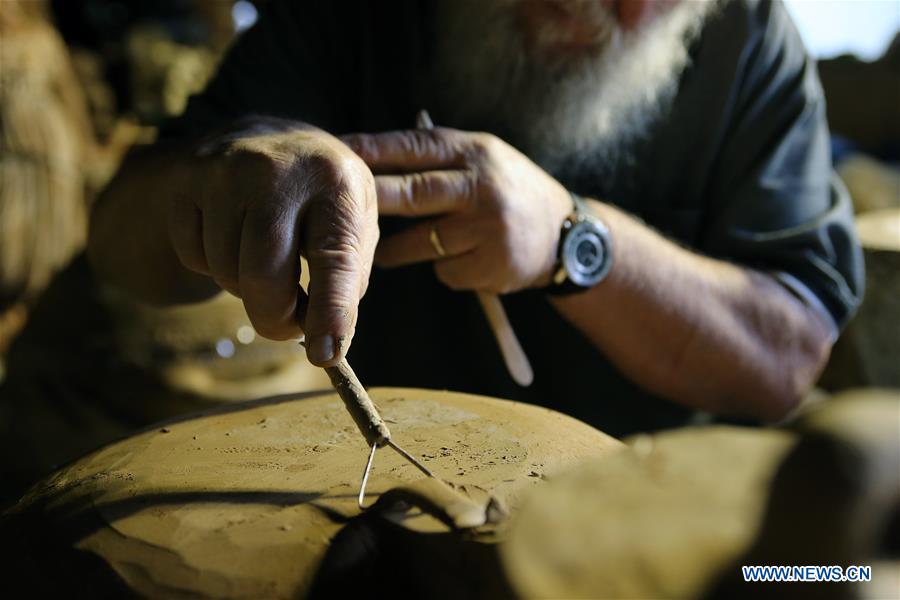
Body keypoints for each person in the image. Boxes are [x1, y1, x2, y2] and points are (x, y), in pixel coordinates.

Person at [88, 0, 863, 437]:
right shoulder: (352, 16)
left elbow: (786, 358)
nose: (617, 11)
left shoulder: (749, 40)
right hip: (400, 490)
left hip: (644, 505)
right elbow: (118, 238)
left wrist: (574, 241)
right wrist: (219, 183)